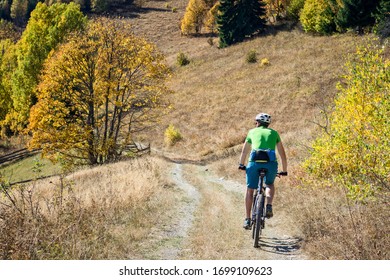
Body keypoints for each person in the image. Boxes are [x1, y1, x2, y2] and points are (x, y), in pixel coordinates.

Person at [238, 113, 287, 230]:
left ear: (257, 123)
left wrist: (241, 164)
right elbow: (282, 154)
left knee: (250, 190)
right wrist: (284, 170)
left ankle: (247, 219)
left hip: (254, 163)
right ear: (268, 124)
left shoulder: (252, 132)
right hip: (270, 164)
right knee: (269, 184)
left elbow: (244, 151)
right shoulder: (274, 133)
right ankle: (269, 205)